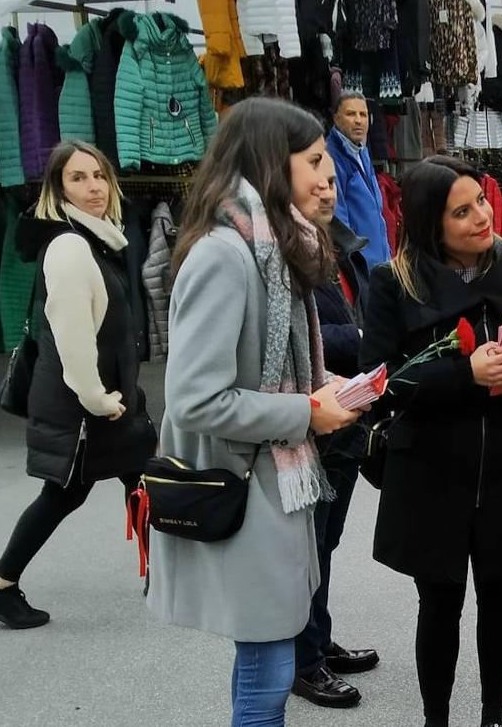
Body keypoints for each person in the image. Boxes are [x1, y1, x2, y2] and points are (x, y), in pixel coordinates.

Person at [147, 98, 363, 727]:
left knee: (267, 661)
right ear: (274, 164)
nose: (329, 175)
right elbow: (194, 397)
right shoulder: (227, 253)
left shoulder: (278, 247)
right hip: (246, 487)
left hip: (275, 487)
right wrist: (305, 412)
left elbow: (277, 374)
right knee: (268, 670)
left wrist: (330, 393)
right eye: (315, 160)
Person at [359, 156, 502, 727]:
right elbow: (378, 386)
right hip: (431, 471)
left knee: (501, 597)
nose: (482, 215)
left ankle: (494, 714)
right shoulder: (391, 284)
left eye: (480, 200)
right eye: (463, 210)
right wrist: (465, 375)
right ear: (432, 222)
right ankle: (436, 718)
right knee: (440, 604)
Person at [0, 140, 156, 629]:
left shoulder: (99, 237)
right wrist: (97, 398)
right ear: (57, 189)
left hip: (102, 398)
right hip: (84, 402)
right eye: (78, 178)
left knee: (139, 474)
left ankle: (162, 572)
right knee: (65, 493)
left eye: (98, 176)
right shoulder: (72, 247)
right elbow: (72, 336)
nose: (93, 187)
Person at [290, 150, 380, 708]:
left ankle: (317, 642)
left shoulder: (338, 245)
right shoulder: (285, 256)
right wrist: (373, 343)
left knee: (326, 543)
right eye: (315, 179)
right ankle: (303, 662)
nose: (326, 189)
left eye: (330, 180)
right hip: (313, 418)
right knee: (308, 547)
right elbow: (314, 337)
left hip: (347, 414)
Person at [329, 92, 390, 266]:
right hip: (360, 268)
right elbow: (339, 223)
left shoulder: (361, 150)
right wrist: (355, 270)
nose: (358, 120)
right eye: (350, 114)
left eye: (363, 114)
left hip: (378, 263)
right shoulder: (333, 158)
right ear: (336, 118)